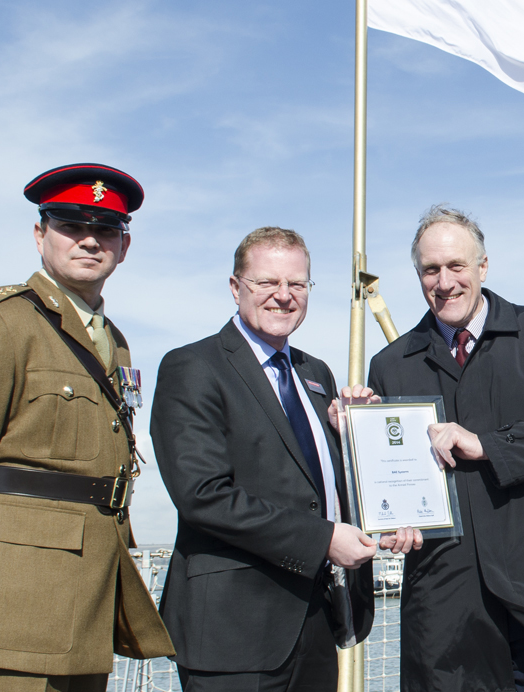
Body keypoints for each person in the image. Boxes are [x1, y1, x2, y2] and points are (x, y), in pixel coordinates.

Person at [0, 163, 173, 692]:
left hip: (83, 608)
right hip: (1, 609)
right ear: (40, 235)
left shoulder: (114, 342)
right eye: (71, 224)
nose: (89, 240)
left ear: (124, 247)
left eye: (106, 229)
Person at [356, 205, 524, 692]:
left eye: (457, 266)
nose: (445, 282)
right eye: (430, 270)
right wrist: (389, 510)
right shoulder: (391, 364)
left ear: (483, 267)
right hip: (448, 608)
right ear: (418, 275)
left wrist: (488, 445)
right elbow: (389, 475)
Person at [151, 227, 376, 692]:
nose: (283, 296)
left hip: (314, 622)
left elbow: (314, 483)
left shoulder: (316, 374)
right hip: (233, 630)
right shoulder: (193, 366)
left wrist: (357, 443)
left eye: (297, 284)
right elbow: (203, 496)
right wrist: (324, 539)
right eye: (266, 283)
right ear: (236, 288)